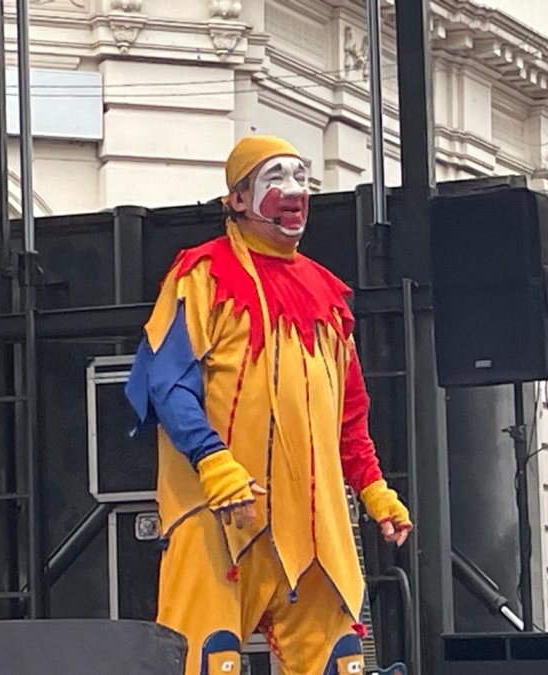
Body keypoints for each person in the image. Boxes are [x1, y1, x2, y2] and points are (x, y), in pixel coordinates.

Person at [125, 134, 412, 675]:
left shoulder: (328, 294)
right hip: (219, 516)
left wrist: (376, 491)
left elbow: (349, 415)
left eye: (302, 178)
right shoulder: (201, 274)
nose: (294, 190)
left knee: (340, 664)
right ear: (237, 198)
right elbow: (166, 384)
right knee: (210, 662)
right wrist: (215, 464)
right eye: (275, 178)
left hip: (314, 529)